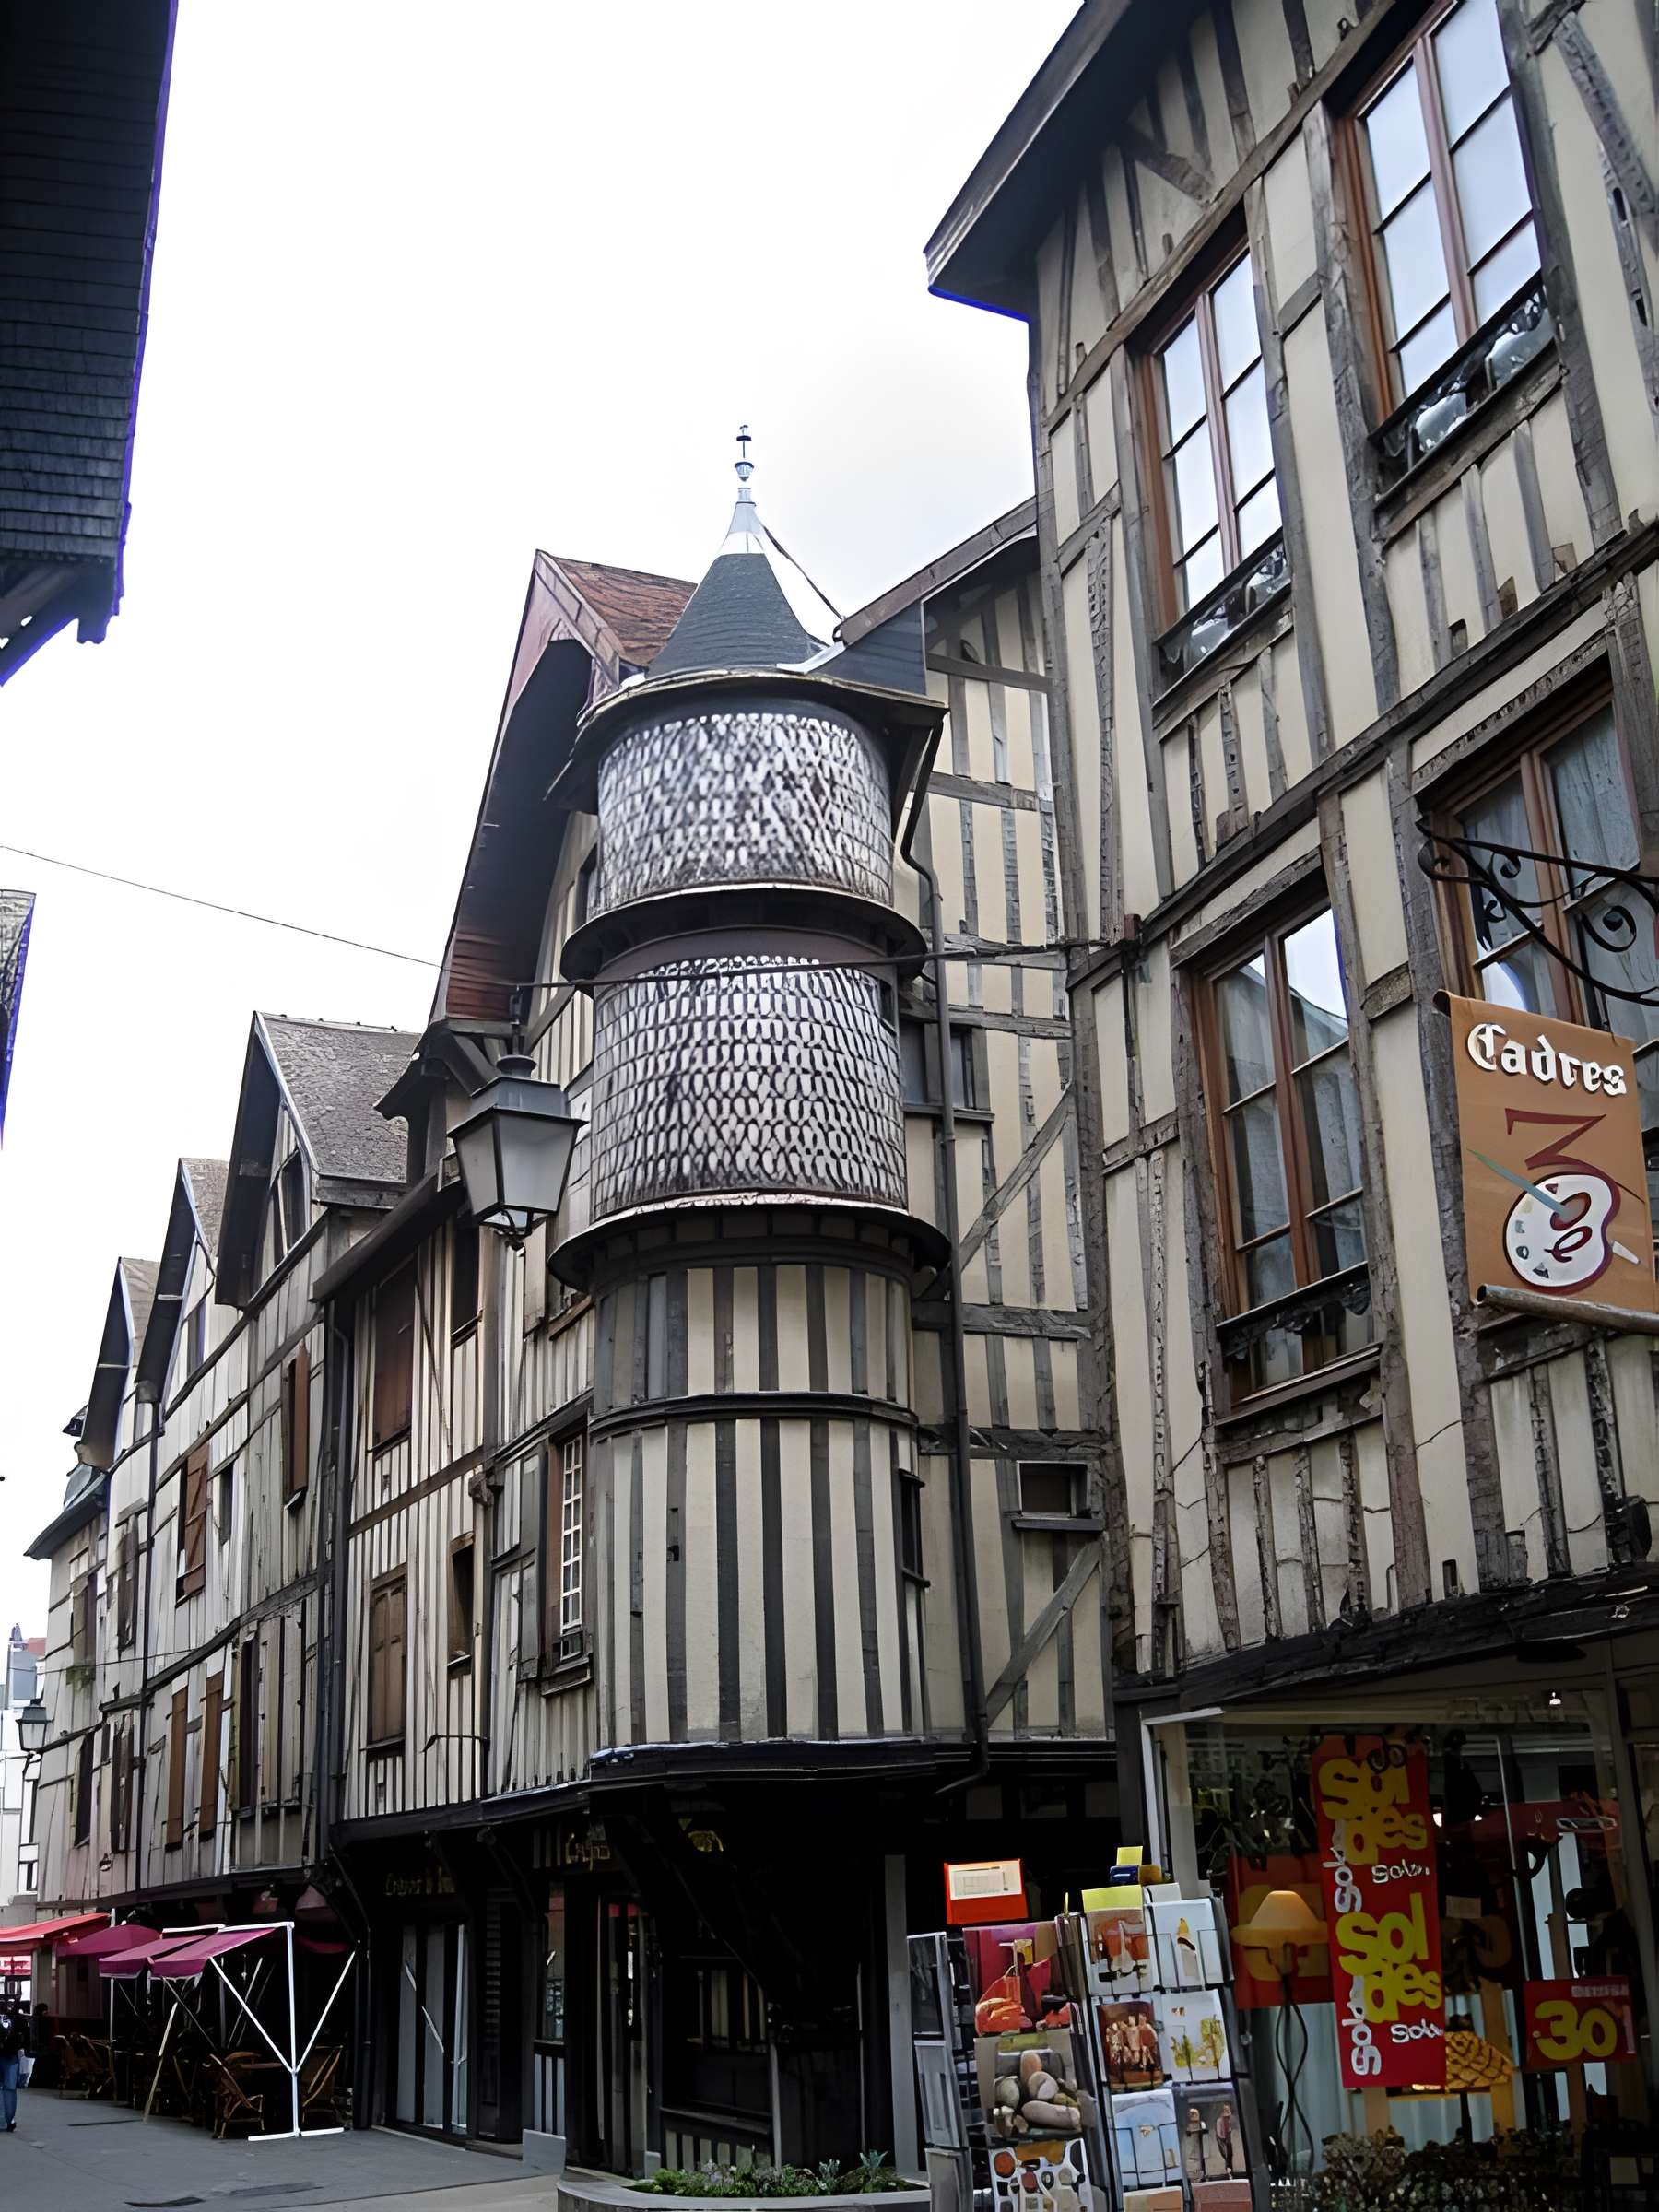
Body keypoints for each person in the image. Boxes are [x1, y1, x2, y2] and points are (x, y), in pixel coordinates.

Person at [0, 1996, 29, 2132]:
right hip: (12, 2056)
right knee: (10, 2089)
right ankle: (9, 2120)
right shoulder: (21, 2018)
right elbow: (27, 2040)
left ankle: (2, 2120)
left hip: (9, 2055)